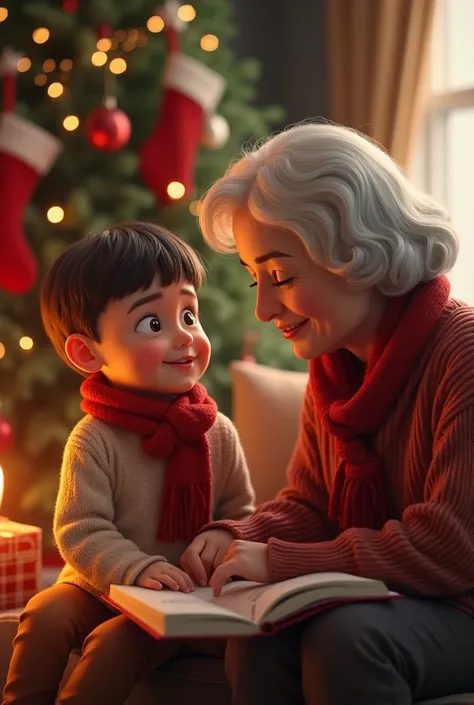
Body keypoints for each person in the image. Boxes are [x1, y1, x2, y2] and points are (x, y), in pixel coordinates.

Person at [180, 122, 474, 705]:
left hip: (462, 602)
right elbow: (313, 505)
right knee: (261, 639)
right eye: (255, 278)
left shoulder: (462, 352)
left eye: (282, 276)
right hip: (399, 603)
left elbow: (450, 547)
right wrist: (236, 537)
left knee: (348, 639)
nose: (264, 308)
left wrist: (279, 561)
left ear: (355, 250)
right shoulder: (334, 368)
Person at [2, 222, 255, 705]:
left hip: (177, 601)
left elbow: (243, 511)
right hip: (101, 584)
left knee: (115, 644)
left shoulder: (216, 430)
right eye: (153, 324)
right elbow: (80, 528)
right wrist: (135, 568)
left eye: (188, 314)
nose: (184, 337)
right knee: (44, 613)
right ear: (87, 352)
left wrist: (224, 533)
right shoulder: (94, 437)